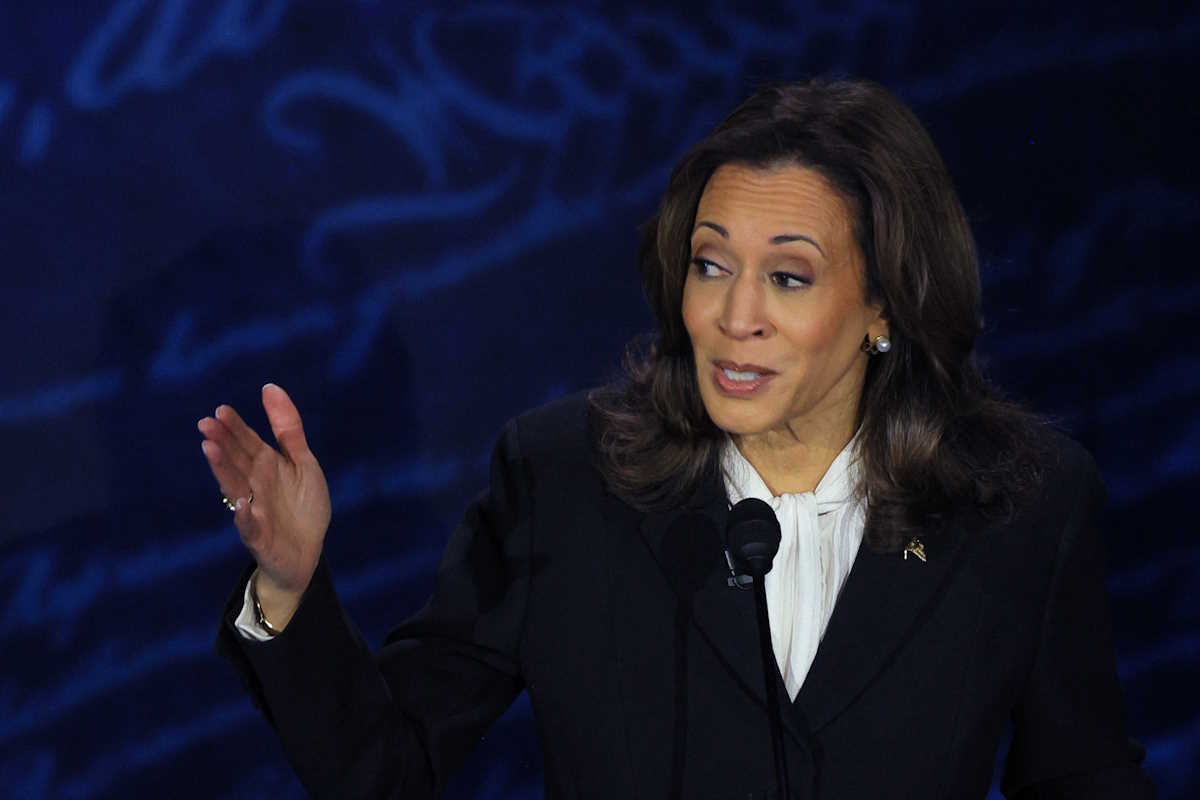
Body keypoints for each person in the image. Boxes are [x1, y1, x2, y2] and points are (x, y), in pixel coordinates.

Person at [201, 79, 1154, 798]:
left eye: (788, 277)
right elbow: (387, 772)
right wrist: (289, 588)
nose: (735, 317)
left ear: (883, 305)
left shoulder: (1018, 507)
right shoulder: (563, 481)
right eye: (711, 264)